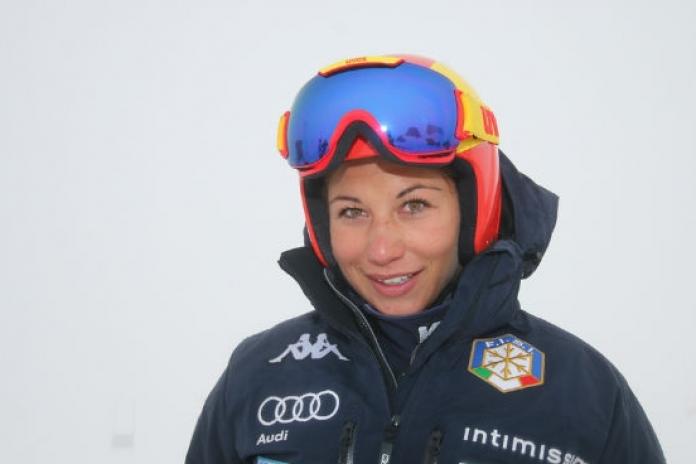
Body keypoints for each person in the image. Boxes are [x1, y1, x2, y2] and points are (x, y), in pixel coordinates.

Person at [185, 55, 665, 464]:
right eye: (352, 212)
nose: (382, 249)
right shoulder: (259, 374)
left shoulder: (582, 392)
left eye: (414, 205)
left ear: (474, 211)